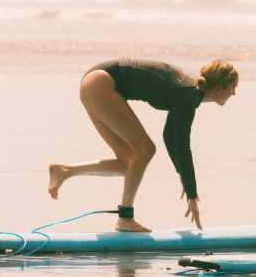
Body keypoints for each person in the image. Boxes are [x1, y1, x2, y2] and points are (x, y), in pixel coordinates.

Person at [48, 59, 238, 232]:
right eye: (233, 87)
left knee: (129, 162)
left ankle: (65, 171)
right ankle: (125, 217)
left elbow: (171, 137)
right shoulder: (189, 93)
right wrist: (192, 194)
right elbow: (181, 144)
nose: (234, 92)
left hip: (93, 83)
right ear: (220, 87)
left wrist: (184, 178)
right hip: (102, 83)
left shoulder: (189, 91)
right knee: (146, 150)